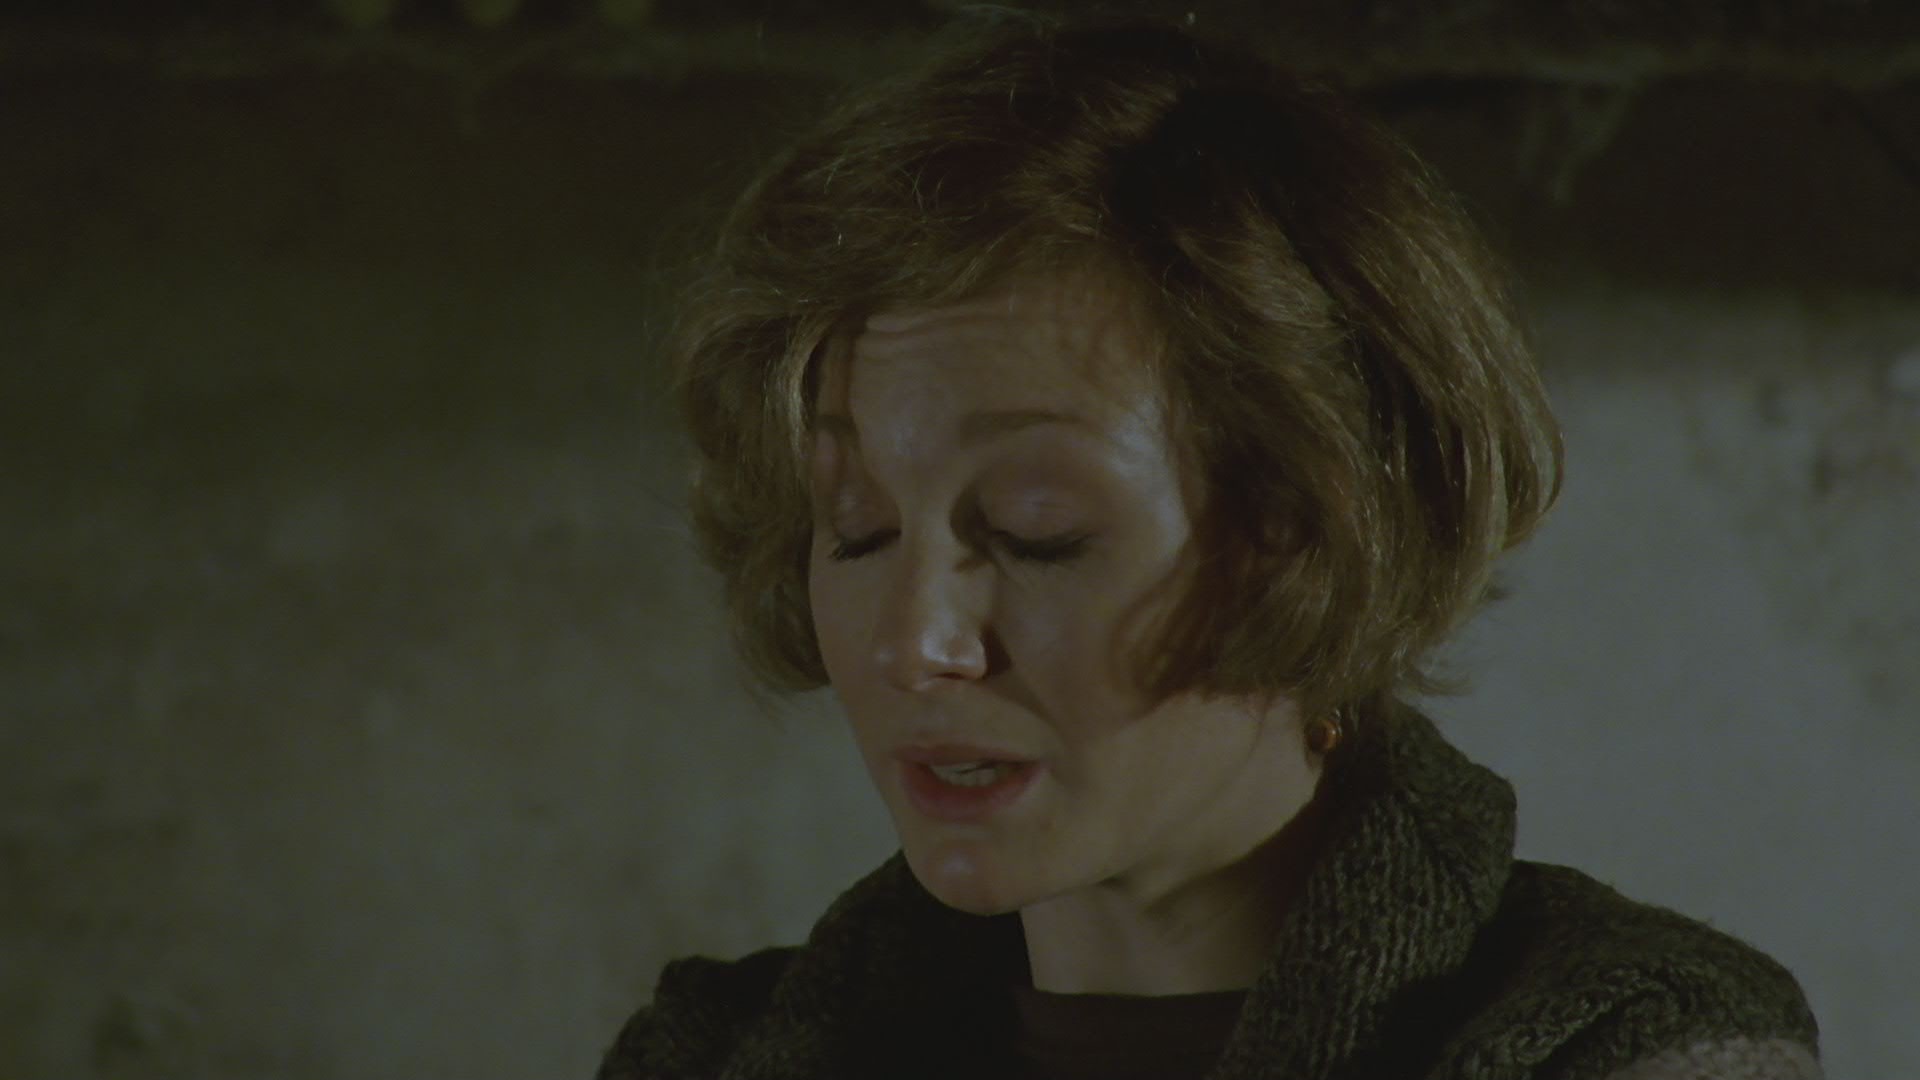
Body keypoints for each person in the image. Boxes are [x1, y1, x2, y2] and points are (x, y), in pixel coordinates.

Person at [598, 15, 1821, 1080]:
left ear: (1306, 531)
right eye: (857, 530)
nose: (914, 644)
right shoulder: (710, 1051)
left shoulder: (1636, 1044)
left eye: (1036, 532)